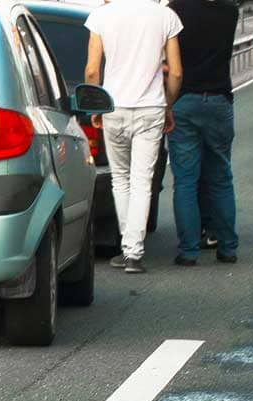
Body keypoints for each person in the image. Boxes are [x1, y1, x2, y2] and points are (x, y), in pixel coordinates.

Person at [84, 0, 184, 274]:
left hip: (114, 107)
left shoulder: (102, 16)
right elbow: (175, 72)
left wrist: (95, 105)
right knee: (142, 180)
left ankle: (129, 249)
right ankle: (133, 253)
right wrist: (168, 105)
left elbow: (92, 70)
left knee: (120, 179)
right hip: (150, 108)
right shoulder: (166, 16)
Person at [167, 0, 240, 265]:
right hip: (220, 100)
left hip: (184, 100)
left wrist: (167, 103)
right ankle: (228, 247)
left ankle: (188, 251)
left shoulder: (175, 10)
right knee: (221, 177)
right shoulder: (230, 11)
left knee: (185, 181)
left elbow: (171, 61)